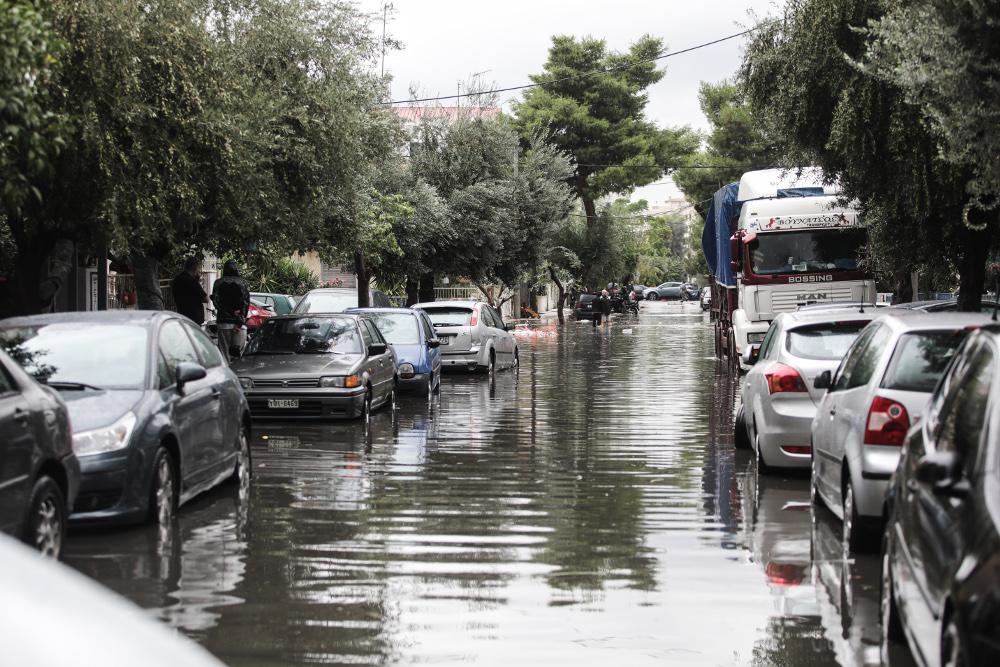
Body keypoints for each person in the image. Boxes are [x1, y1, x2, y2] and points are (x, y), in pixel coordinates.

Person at [211, 260, 250, 362]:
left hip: (223, 322)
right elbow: (246, 303)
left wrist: (230, 312)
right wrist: (240, 321)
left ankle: (227, 374)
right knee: (238, 354)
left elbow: (216, 302)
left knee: (224, 353)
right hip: (239, 324)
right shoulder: (243, 283)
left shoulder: (218, 283)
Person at [171, 257, 208, 325]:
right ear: (194, 267)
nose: (198, 270)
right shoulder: (192, 281)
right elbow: (206, 299)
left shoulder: (177, 279)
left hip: (182, 315)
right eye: (198, 268)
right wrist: (197, 281)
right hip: (194, 318)